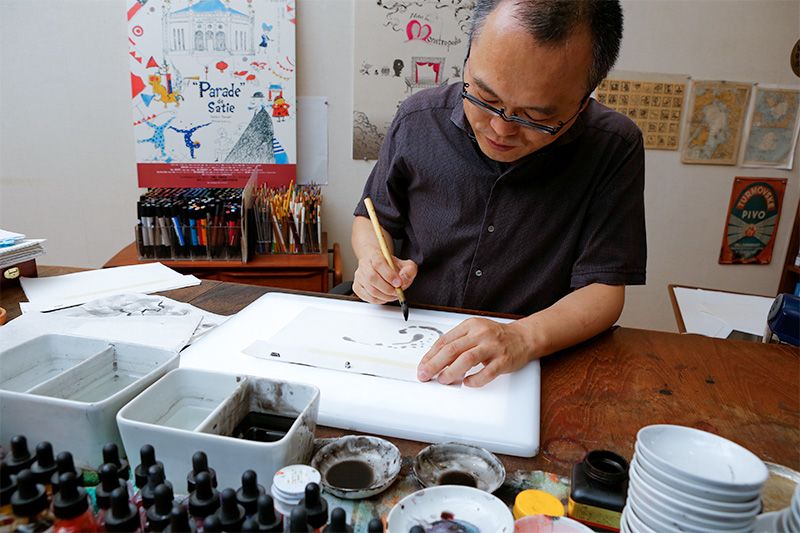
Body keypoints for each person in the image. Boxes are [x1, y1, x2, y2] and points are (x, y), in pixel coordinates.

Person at [351, 0, 646, 387]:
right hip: (410, 339)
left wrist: (521, 338)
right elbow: (372, 218)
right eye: (485, 98)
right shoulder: (418, 119)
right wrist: (373, 262)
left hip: (528, 366)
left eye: (537, 116)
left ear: (585, 98)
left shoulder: (613, 146)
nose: (501, 129)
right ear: (469, 57)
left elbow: (604, 289)